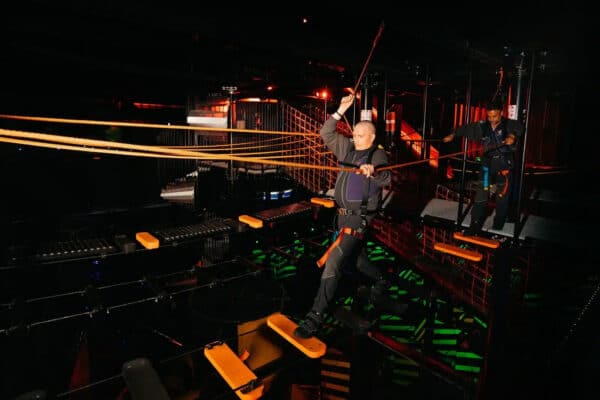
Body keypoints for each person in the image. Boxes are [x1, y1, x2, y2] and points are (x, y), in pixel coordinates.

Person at [294, 94, 396, 339]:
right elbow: (326, 132)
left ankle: (315, 317)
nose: (355, 138)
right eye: (355, 134)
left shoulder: (377, 155)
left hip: (358, 220)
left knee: (333, 263)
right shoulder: (348, 150)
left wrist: (372, 171)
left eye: (360, 135)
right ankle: (383, 279)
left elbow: (386, 177)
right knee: (357, 260)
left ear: (371, 137)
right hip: (341, 218)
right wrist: (340, 110)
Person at [442, 99, 524, 234]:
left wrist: (512, 136)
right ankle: (474, 224)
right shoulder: (483, 126)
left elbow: (519, 127)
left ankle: (498, 225)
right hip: (487, 167)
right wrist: (453, 134)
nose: (491, 119)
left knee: (502, 198)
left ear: (501, 113)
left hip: (504, 167)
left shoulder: (509, 124)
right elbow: (466, 128)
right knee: (481, 194)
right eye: (489, 116)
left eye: (495, 116)